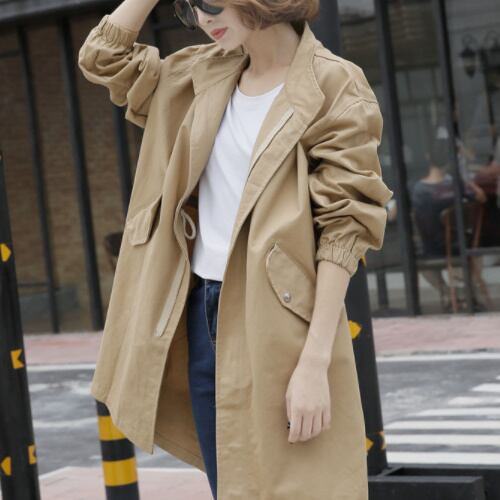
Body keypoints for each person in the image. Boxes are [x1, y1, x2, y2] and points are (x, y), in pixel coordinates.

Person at [78, 0, 393, 498]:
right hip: (199, 313)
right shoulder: (197, 74)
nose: (203, 19)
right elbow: (102, 56)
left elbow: (344, 227)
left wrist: (314, 364)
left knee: (298, 486)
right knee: (231, 486)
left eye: (211, 3)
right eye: (190, 8)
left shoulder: (333, 83)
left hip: (280, 324)